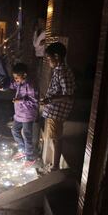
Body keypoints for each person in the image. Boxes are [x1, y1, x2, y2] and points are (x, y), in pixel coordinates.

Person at [0, 63, 39, 167]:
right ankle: (23, 150)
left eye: (17, 77)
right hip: (19, 114)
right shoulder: (19, 83)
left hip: (28, 114)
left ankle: (30, 157)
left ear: (24, 75)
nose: (15, 79)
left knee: (27, 135)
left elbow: (34, 100)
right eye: (14, 77)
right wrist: (2, 87)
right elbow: (12, 85)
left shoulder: (30, 85)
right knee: (14, 130)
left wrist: (20, 100)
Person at [39, 42, 75, 171]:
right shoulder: (58, 70)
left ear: (56, 56)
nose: (48, 62)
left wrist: (51, 99)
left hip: (57, 111)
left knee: (56, 138)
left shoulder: (63, 72)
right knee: (53, 137)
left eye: (49, 59)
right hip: (53, 110)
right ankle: (54, 164)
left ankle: (55, 166)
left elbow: (69, 95)